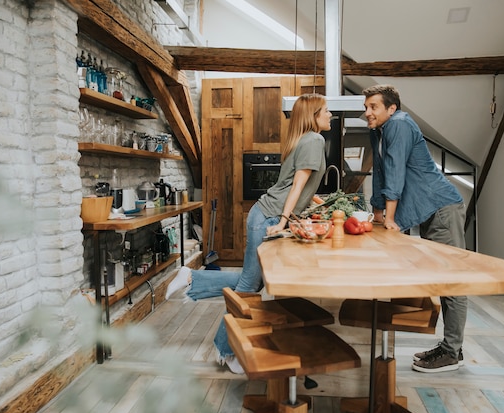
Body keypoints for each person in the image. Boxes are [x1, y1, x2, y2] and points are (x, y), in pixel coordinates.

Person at [166, 93, 332, 373]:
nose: (330, 115)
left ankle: (193, 276)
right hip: (268, 216)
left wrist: (318, 202)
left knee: (253, 281)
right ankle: (226, 350)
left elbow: (299, 186)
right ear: (313, 115)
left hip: (266, 212)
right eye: (326, 111)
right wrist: (281, 221)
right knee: (248, 286)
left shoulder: (303, 140)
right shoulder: (315, 140)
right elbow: (294, 187)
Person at [363, 84, 467, 373]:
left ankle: (452, 351)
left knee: (452, 282)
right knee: (442, 280)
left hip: (440, 207)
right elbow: (381, 172)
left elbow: (395, 171)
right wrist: (377, 213)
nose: (367, 112)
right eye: (366, 107)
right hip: (426, 210)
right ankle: (450, 347)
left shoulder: (399, 124)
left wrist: (390, 218)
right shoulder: (379, 130)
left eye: (373, 107)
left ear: (391, 108)